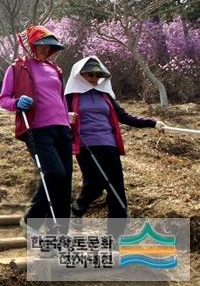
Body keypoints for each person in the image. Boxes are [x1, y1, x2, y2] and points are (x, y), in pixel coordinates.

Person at [65, 56, 165, 222]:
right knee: (95, 183)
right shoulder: (70, 97)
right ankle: (78, 206)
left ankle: (117, 232)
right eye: (90, 75)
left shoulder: (105, 96)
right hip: (86, 145)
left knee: (116, 187)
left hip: (109, 144)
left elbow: (124, 117)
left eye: (98, 75)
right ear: (79, 75)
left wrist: (153, 123)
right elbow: (56, 117)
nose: (95, 79)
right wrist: (65, 116)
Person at [0, 25, 72, 233]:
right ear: (31, 45)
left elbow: (61, 98)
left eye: (49, 47)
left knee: (65, 181)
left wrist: (68, 120)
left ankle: (59, 233)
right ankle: (33, 219)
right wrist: (16, 103)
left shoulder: (55, 70)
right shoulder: (17, 68)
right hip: (37, 128)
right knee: (54, 173)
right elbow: (4, 98)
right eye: (40, 46)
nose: (44, 50)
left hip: (62, 128)